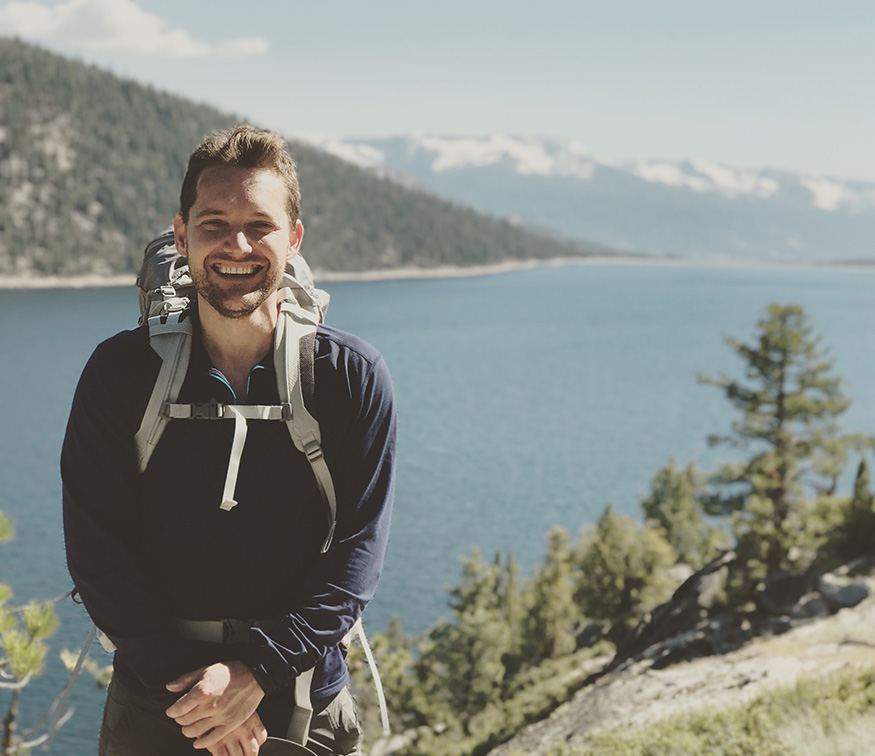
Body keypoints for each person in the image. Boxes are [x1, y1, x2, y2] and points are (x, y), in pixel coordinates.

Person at [62, 125, 396, 756]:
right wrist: (201, 695)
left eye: (259, 225)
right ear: (182, 233)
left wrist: (257, 674)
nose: (236, 245)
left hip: (299, 694)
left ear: (293, 237)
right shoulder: (120, 373)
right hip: (160, 696)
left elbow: (359, 552)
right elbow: (96, 551)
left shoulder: (350, 376)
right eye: (213, 223)